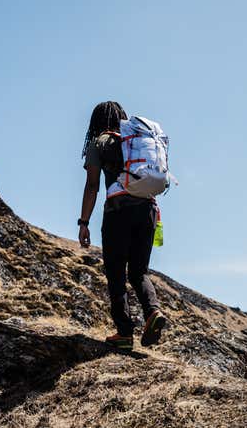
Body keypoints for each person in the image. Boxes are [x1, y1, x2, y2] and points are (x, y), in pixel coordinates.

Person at [78, 101, 166, 350]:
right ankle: (153, 312)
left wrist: (84, 223)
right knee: (139, 272)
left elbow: (92, 185)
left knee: (116, 272)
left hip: (118, 211)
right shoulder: (136, 142)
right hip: (149, 210)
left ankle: (124, 333)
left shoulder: (100, 142)